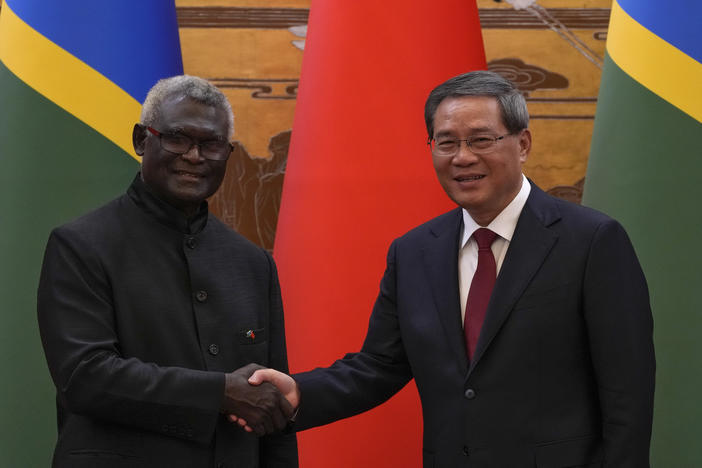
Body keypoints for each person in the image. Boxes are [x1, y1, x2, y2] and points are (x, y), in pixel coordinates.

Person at [238, 71, 656, 467]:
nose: (463, 157)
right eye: (446, 142)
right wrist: (299, 393)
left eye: (481, 140)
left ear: (523, 143)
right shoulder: (414, 252)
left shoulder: (592, 241)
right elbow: (378, 366)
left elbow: (627, 395)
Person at [37, 75, 298, 468]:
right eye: (177, 138)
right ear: (143, 140)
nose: (194, 156)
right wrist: (219, 393)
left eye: (210, 144)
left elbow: (270, 407)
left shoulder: (252, 263)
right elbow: (86, 378)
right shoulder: (81, 246)